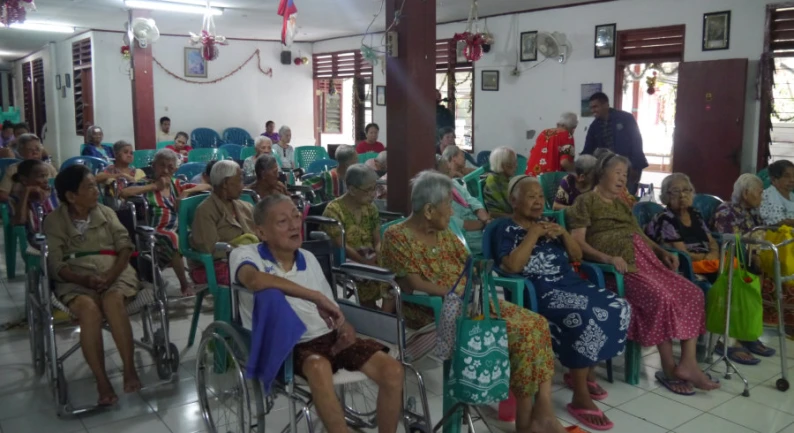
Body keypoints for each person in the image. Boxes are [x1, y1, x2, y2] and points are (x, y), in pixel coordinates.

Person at [380, 170, 568, 433]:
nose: (453, 212)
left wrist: (478, 282)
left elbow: (469, 268)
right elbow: (413, 284)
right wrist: (457, 294)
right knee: (522, 331)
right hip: (432, 311)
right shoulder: (397, 236)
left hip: (473, 303)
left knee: (536, 324)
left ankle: (540, 412)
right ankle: (530, 421)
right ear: (430, 210)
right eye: (448, 204)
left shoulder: (445, 232)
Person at [232, 195, 405, 433]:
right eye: (283, 221)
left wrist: (345, 327)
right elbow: (253, 280)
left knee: (392, 370)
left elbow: (332, 308)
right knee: (317, 367)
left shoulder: (309, 258)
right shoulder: (245, 254)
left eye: (295, 216)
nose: (294, 225)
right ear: (261, 232)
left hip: (329, 336)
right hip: (290, 343)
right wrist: (314, 296)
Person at [566, 150, 720, 395]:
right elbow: (578, 243)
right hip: (618, 270)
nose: (622, 179)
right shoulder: (585, 201)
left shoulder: (621, 203)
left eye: (625, 174)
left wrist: (661, 251)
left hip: (647, 262)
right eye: (617, 173)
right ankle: (669, 368)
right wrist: (608, 258)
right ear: (601, 174)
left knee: (692, 293)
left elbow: (639, 234)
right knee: (661, 297)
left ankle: (688, 364)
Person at [499, 175, 630, 430]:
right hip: (540, 290)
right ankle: (580, 394)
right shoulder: (505, 229)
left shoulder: (548, 223)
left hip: (570, 283)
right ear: (514, 201)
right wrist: (533, 234)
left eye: (540, 196)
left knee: (618, 306)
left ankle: (583, 370)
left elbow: (577, 255)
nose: (538, 202)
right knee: (585, 316)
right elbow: (512, 266)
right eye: (531, 196)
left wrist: (563, 234)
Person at [44, 164, 142, 405]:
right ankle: (102, 380)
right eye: (89, 187)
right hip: (75, 278)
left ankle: (129, 369)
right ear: (70, 196)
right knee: (88, 310)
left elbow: (125, 245)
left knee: (113, 299)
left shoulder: (106, 213)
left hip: (115, 271)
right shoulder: (53, 222)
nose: (96, 191)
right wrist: (84, 280)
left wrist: (110, 275)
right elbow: (56, 264)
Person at [120, 149, 211, 296]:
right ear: (154, 166)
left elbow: (208, 186)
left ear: (175, 169)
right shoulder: (146, 184)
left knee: (200, 234)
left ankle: (203, 278)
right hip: (156, 231)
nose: (166, 170)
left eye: (170, 167)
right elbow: (123, 193)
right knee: (173, 237)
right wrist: (154, 187)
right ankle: (184, 285)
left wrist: (185, 193)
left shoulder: (177, 184)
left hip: (178, 228)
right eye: (162, 165)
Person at [709, 173, 775, 365]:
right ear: (746, 193)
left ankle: (747, 333)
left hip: (751, 260)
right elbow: (729, 243)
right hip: (730, 261)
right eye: (759, 192)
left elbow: (761, 235)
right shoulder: (726, 211)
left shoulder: (753, 212)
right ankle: (729, 340)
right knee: (747, 275)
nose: (762, 197)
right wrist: (753, 254)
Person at [322, 164, 386, 309]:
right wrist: (365, 262)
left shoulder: (371, 208)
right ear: (351, 189)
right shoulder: (334, 211)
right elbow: (342, 246)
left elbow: (377, 239)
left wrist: (379, 253)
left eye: (374, 189)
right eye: (368, 190)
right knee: (368, 275)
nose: (373, 194)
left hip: (369, 253)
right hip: (346, 257)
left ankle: (389, 311)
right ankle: (370, 311)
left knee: (396, 267)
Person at [190, 160, 256, 286]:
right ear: (225, 183)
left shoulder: (245, 207)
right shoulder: (205, 211)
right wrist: (241, 251)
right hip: (211, 265)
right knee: (253, 275)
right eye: (239, 180)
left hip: (242, 258)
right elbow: (208, 248)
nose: (242, 186)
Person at [644, 173, 720, 281]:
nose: (682, 195)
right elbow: (682, 253)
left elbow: (711, 240)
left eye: (686, 190)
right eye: (676, 191)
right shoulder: (665, 218)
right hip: (684, 267)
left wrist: (714, 254)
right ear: (666, 196)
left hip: (707, 263)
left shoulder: (695, 213)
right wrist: (706, 259)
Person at [582, 92, 647, 195]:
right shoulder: (594, 126)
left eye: (595, 106)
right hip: (609, 170)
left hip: (630, 167)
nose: (593, 110)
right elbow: (588, 149)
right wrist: (581, 166)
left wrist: (634, 167)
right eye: (591, 108)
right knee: (612, 199)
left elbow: (637, 142)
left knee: (628, 199)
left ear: (606, 105)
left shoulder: (626, 118)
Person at [759, 159, 794, 337]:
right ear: (774, 179)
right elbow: (776, 222)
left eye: (793, 176)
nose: (792, 180)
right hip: (776, 242)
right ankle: (789, 322)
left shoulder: (792, 196)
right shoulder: (769, 194)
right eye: (787, 176)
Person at [435, 156, 490, 257]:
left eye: (449, 169)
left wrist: (486, 220)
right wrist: (485, 225)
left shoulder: (454, 183)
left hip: (480, 225)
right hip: (466, 237)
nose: (451, 175)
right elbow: (461, 224)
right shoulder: (437, 197)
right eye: (447, 172)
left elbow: (473, 202)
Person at [0, 133, 58, 202]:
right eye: (30, 150)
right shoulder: (13, 169)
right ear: (21, 152)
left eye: (38, 149)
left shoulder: (49, 167)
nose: (35, 152)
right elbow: (2, 194)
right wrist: (17, 201)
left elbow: (58, 187)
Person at [9, 159, 59, 234]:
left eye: (46, 176)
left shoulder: (54, 193)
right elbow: (20, 221)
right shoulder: (16, 199)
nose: (46, 180)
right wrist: (26, 192)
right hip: (38, 239)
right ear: (24, 180)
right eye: (41, 176)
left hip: (60, 234)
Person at [483, 147, 518, 218]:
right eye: (512, 163)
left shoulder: (504, 179)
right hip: (502, 220)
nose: (516, 166)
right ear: (502, 165)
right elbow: (494, 213)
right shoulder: (494, 180)